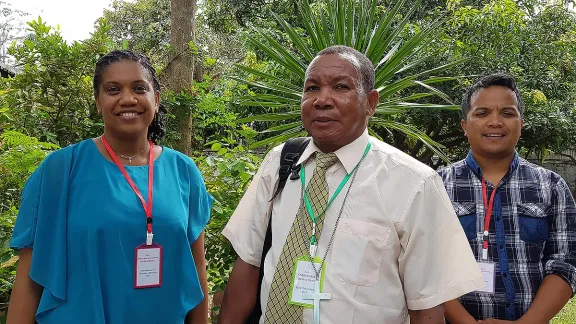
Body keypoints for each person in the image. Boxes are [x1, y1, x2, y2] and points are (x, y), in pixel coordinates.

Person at [217, 45, 484, 324]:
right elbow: (248, 264)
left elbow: (426, 307)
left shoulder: (414, 183)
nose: (322, 100)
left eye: (341, 87)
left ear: (370, 102)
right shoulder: (279, 163)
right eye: (312, 88)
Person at [7, 50, 213, 324]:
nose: (128, 99)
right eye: (113, 89)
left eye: (140, 88)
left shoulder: (183, 171)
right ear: (98, 101)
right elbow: (30, 276)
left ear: (156, 99)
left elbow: (197, 271)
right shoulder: (60, 170)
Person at [438, 74, 576, 323]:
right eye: (482, 113)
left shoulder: (552, 186)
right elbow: (425, 267)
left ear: (521, 124)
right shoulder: (437, 186)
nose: (495, 122)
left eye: (507, 113)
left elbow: (565, 263)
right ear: (464, 126)